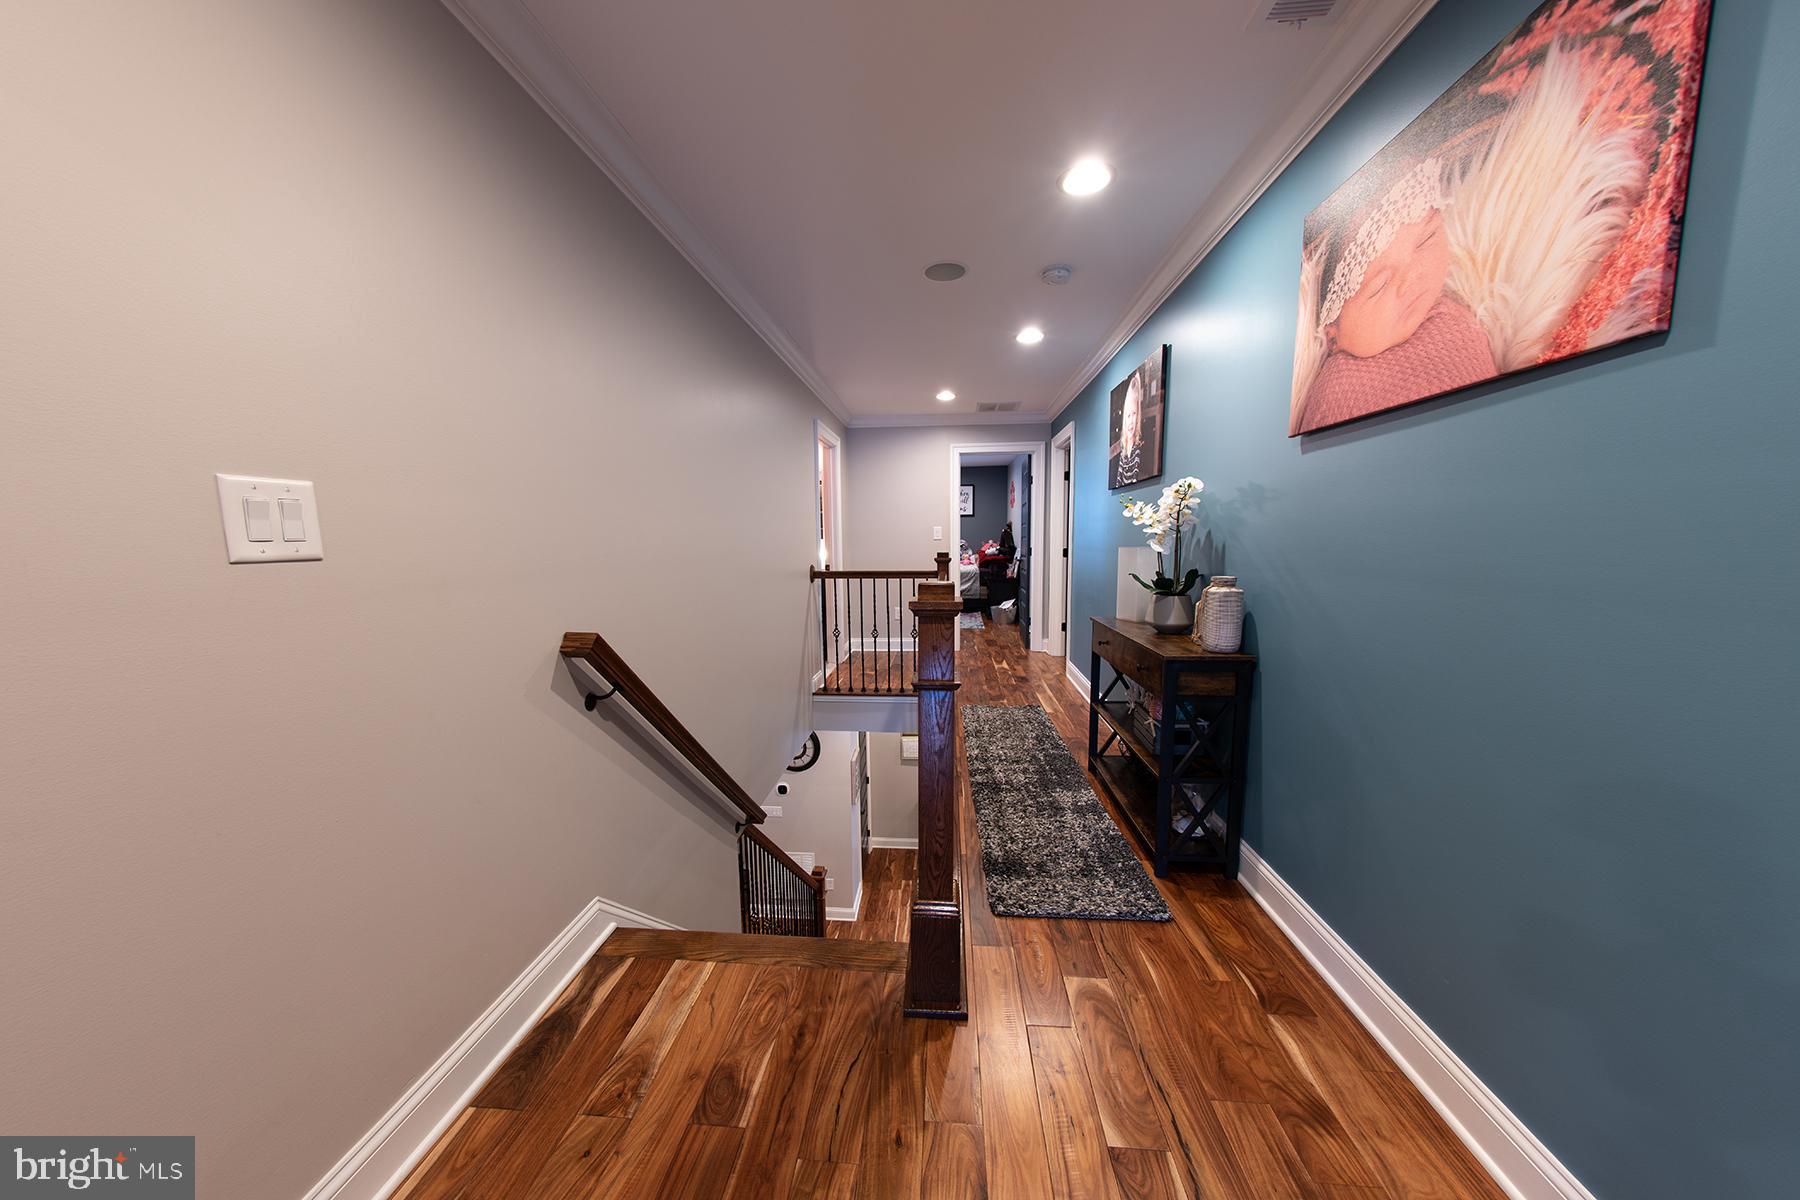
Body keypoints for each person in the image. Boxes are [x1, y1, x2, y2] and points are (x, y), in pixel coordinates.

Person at [1292, 158, 1495, 434]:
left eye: (1426, 240)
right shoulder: (1337, 389)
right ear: (1332, 335)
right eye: (1379, 286)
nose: (1410, 279)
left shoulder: (1457, 315)